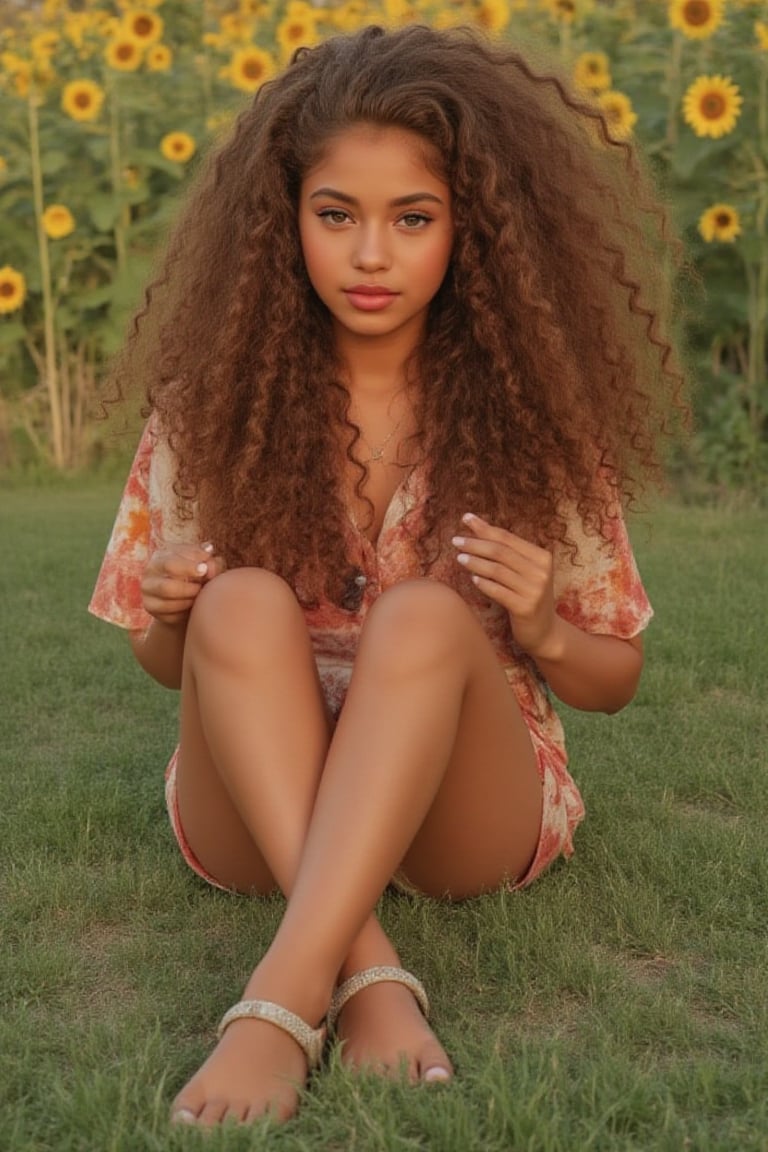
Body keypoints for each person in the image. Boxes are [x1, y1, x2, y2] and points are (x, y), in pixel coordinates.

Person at [89, 22, 685, 1128]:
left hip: (466, 812)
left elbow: (615, 677)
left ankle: (274, 1003)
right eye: (336, 216)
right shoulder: (211, 405)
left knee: (420, 619)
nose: (372, 255)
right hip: (257, 807)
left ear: (472, 232)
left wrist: (547, 630)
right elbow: (167, 664)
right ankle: (361, 975)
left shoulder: (533, 420)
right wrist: (170, 612)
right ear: (284, 222)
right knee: (238, 598)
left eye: (413, 219)